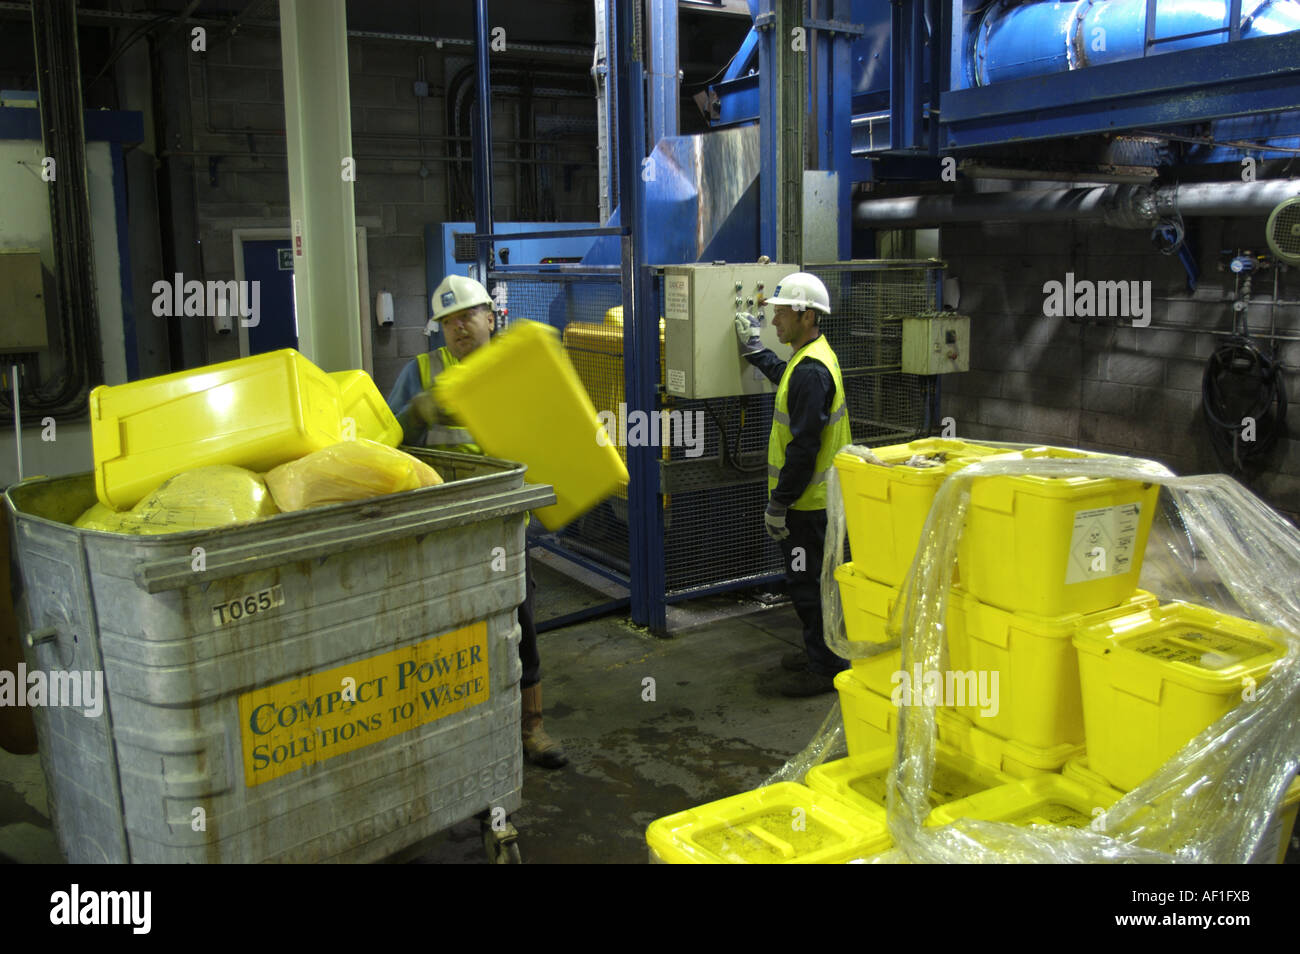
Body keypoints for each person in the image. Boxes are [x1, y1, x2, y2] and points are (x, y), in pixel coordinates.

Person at [387, 273, 569, 768]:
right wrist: (417, 412)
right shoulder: (421, 373)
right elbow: (382, 442)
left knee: (520, 620)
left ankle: (531, 727)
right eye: (448, 322)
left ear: (491, 317)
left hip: (504, 523)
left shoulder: (517, 368)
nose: (459, 328)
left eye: (467, 316)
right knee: (448, 631)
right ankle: (456, 729)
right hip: (443, 528)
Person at [734, 271, 852, 696]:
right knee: (817, 581)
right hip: (815, 502)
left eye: (781, 313)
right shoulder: (810, 359)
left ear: (805, 315)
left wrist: (779, 503)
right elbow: (786, 378)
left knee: (809, 585)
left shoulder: (811, 371)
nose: (775, 320)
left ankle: (826, 667)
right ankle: (820, 650)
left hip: (808, 506)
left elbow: (804, 448)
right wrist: (755, 351)